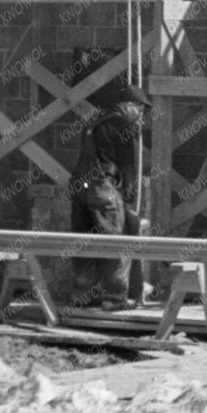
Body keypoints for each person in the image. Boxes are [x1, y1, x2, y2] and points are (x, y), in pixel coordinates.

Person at [68, 81, 149, 306]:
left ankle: (82, 295)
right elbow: (128, 166)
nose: (139, 117)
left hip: (79, 187)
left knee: (83, 241)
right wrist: (130, 197)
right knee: (115, 242)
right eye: (139, 111)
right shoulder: (123, 125)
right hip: (101, 188)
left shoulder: (93, 122)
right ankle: (114, 298)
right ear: (130, 105)